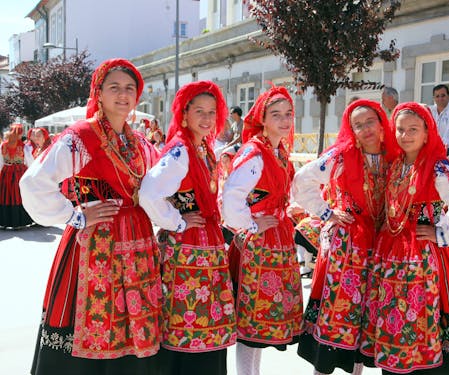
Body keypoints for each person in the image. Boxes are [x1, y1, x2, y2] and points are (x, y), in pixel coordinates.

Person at [19, 59, 162, 375]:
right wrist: (74, 215)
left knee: (132, 331)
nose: (123, 95)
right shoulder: (81, 135)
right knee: (94, 322)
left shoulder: (138, 141)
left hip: (137, 248)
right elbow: (33, 182)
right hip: (94, 247)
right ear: (98, 92)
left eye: (129, 88)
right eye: (114, 88)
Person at [360, 102, 449, 374]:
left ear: (428, 132)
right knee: (395, 324)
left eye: (413, 129)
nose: (405, 135)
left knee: (421, 322)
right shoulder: (396, 164)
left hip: (421, 259)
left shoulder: (438, 168)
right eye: (401, 129)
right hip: (390, 256)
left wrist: (443, 233)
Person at [292, 99, 399, 375]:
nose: (365, 129)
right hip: (347, 246)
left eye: (370, 122)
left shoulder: (394, 156)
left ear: (381, 121)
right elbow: (302, 180)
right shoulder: (340, 156)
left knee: (365, 315)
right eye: (358, 125)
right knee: (337, 310)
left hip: (378, 243)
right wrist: (327, 212)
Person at [138, 81, 237, 375]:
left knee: (205, 317)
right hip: (187, 249)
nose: (206, 118)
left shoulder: (202, 147)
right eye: (199, 112)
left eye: (212, 112)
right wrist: (178, 220)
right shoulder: (180, 151)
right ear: (184, 115)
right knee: (187, 317)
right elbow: (149, 193)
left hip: (205, 245)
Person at [221, 86, 303, 375]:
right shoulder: (255, 152)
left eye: (288, 114)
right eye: (276, 114)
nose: (284, 120)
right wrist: (252, 224)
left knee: (260, 322)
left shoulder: (277, 151)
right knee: (250, 321)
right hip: (259, 243)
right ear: (263, 119)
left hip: (274, 238)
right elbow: (230, 198)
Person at [0, 123, 33, 228]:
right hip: (19, 173)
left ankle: (5, 221)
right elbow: (30, 162)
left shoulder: (3, 145)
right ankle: (19, 222)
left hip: (6, 172)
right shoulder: (24, 147)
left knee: (5, 195)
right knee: (18, 195)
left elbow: (0, 162)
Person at [429, 84, 449, 153]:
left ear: (448, 96)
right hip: (433, 147)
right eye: (437, 96)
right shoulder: (430, 111)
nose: (440, 98)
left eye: (443, 95)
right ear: (434, 98)